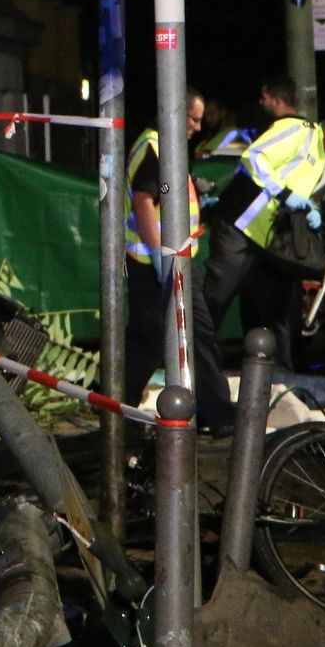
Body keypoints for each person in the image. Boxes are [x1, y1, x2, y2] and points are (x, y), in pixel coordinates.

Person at [204, 108, 325, 360]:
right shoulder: (299, 132)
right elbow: (253, 157)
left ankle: (279, 381)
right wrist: (285, 193)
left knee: (281, 315)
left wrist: (311, 210)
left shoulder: (324, 167)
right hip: (239, 228)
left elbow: (301, 197)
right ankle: (188, 370)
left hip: (271, 245)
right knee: (215, 301)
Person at [122, 88, 233, 428]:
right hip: (158, 265)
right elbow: (144, 202)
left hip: (171, 262)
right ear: (175, 112)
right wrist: (160, 255)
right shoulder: (155, 147)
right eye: (194, 119)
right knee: (163, 338)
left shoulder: (159, 145)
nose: (198, 128)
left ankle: (214, 411)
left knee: (175, 337)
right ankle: (118, 408)